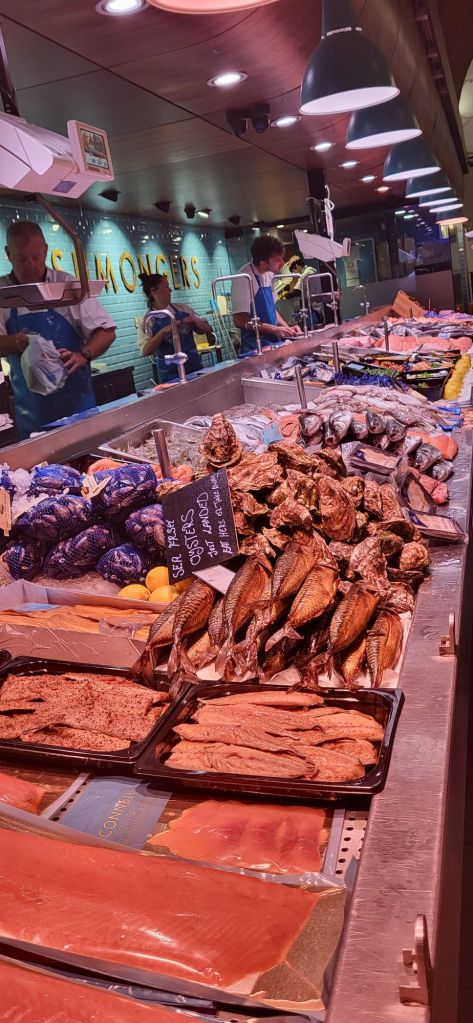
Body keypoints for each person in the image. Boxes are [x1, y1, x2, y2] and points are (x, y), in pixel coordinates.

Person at [0, 221, 116, 439]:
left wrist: (83, 354)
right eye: (22, 259)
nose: (31, 266)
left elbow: (107, 331)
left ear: (45, 250)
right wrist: (16, 342)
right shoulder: (2, 293)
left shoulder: (66, 285)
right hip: (32, 415)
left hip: (79, 408)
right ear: (8, 254)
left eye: (36, 257)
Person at [231, 234, 302, 355]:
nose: (282, 263)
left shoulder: (269, 274)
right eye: (278, 260)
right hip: (255, 347)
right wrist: (274, 329)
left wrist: (288, 329)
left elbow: (272, 310)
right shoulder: (243, 278)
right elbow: (239, 320)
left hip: (273, 343)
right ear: (263, 263)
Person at [138, 272, 214, 383]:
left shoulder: (183, 308)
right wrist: (163, 332)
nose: (170, 290)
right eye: (166, 286)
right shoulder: (148, 320)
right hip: (170, 376)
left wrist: (193, 321)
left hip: (194, 368)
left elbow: (206, 328)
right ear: (153, 291)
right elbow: (146, 351)